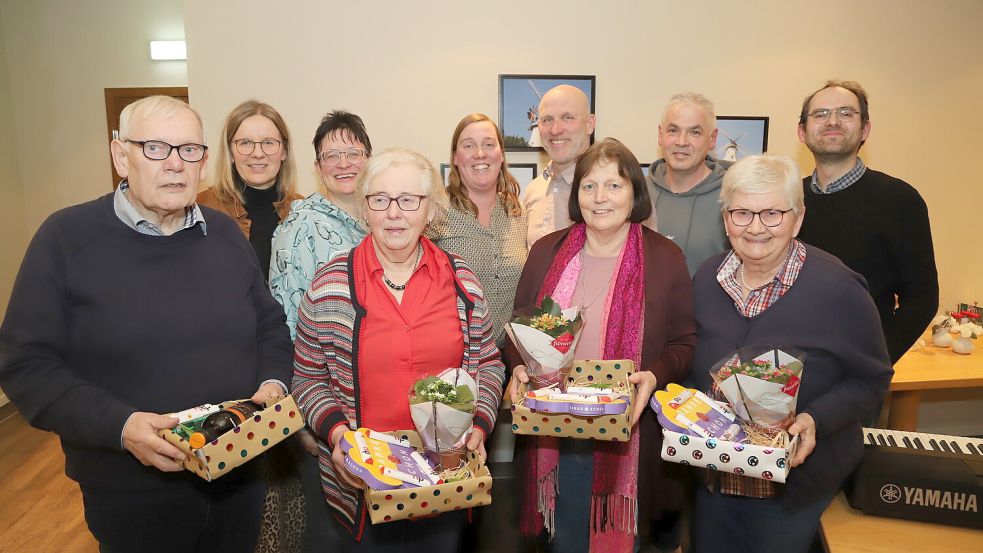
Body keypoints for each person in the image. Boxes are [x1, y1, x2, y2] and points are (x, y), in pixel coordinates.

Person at [0, 96, 293, 552]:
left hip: (237, 476)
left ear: (203, 161)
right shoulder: (66, 238)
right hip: (131, 493)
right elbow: (26, 365)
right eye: (156, 148)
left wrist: (273, 382)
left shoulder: (223, 234)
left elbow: (270, 325)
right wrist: (121, 425)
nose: (175, 165)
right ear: (121, 155)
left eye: (189, 150)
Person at [291, 148, 506, 552]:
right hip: (361, 485)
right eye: (380, 199)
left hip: (444, 484)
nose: (394, 213)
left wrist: (479, 424)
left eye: (409, 200)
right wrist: (337, 435)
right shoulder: (329, 285)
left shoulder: (463, 283)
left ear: (430, 210)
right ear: (365, 208)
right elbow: (307, 376)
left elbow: (490, 364)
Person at [689, 154, 894, 553]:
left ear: (797, 218)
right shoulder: (706, 279)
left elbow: (872, 379)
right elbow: (691, 359)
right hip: (715, 476)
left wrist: (816, 418)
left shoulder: (838, 289)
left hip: (792, 491)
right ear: (726, 218)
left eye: (772, 213)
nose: (755, 228)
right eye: (742, 213)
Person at [507, 138, 696, 552]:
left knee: (623, 538)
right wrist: (519, 367)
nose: (600, 198)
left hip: (631, 429)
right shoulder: (545, 252)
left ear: (635, 193)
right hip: (558, 426)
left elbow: (684, 342)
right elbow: (519, 331)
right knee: (568, 537)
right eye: (589, 186)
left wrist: (656, 376)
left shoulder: (666, 258)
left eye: (614, 185)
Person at [796, 80, 938, 364]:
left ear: (865, 129)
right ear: (802, 131)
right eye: (821, 114)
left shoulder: (899, 200)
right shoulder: (787, 201)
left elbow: (922, 298)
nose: (833, 121)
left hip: (858, 376)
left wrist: (876, 361)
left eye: (846, 113)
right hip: (787, 368)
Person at [270, 110, 372, 339]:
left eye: (353, 154)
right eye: (331, 156)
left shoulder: (381, 221)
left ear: (368, 160)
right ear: (318, 167)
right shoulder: (300, 227)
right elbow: (288, 319)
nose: (343, 164)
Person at [431, 113, 528, 345]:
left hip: (510, 357)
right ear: (455, 157)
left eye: (488, 144)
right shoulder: (436, 209)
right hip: (455, 353)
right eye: (468, 145)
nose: (480, 153)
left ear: (501, 154)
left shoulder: (517, 210)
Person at [198, 100, 301, 280]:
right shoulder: (199, 210)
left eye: (268, 142)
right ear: (230, 151)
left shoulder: (303, 211)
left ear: (284, 151)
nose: (258, 153)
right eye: (245, 143)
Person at [647, 92, 733, 275]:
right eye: (673, 130)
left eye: (695, 132)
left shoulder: (734, 196)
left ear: (712, 139)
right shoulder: (637, 192)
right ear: (660, 135)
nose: (682, 142)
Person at [522, 84, 596, 249]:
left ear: (589, 124)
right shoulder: (533, 190)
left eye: (567, 117)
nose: (555, 130)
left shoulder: (608, 194)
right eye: (547, 120)